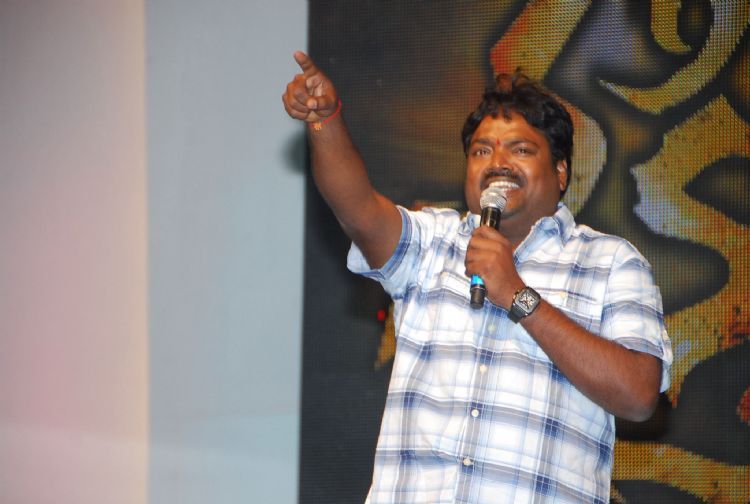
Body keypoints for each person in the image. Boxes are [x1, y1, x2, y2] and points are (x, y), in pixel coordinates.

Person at [282, 50, 672, 504]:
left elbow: (639, 395)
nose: (497, 162)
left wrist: (517, 295)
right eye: (481, 151)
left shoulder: (610, 262)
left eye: (520, 149)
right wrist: (325, 121)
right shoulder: (433, 242)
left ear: (560, 171)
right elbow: (359, 210)